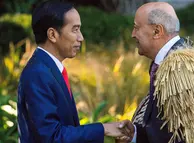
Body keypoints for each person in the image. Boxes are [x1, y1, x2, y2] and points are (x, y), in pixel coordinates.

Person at [117, 2, 194, 143]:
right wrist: (135, 135)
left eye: (136, 28)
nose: (133, 34)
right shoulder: (170, 63)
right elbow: (168, 131)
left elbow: (192, 136)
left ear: (157, 31)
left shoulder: (181, 67)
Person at [17, 1, 134, 143]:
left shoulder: (49, 68)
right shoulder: (38, 73)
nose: (81, 37)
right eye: (75, 29)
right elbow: (51, 137)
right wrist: (103, 129)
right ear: (52, 34)